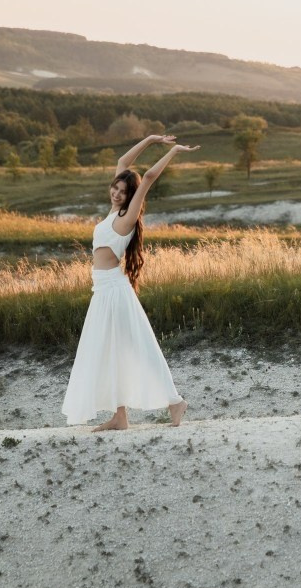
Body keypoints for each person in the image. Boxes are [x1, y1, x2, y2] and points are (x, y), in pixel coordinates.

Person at [62, 135, 199, 431]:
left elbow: (147, 177)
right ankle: (119, 415)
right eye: (115, 188)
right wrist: (150, 139)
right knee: (111, 351)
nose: (116, 193)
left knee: (138, 347)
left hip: (114, 291)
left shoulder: (126, 217)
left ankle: (175, 402)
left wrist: (173, 151)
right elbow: (123, 162)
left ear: (130, 196)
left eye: (123, 192)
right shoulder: (113, 212)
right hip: (102, 290)